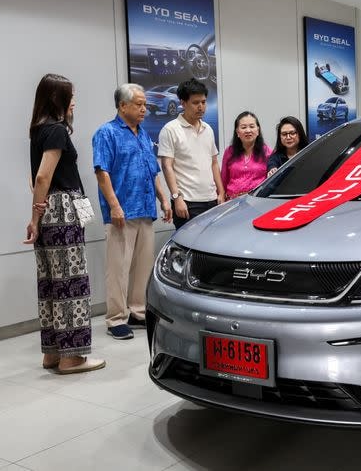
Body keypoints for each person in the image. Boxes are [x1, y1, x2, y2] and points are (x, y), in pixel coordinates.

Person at [24, 73, 105, 374]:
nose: (75, 101)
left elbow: (34, 180)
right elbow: (44, 177)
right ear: (57, 98)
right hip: (62, 210)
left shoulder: (38, 130)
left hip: (47, 211)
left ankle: (53, 353)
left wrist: (35, 217)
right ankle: (73, 358)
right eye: (70, 96)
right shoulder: (57, 131)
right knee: (72, 283)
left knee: (50, 283)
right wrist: (37, 214)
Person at [92, 83, 172, 340]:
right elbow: (101, 172)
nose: (144, 109)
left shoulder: (144, 135)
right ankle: (116, 318)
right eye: (139, 104)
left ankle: (137, 311)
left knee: (142, 266)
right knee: (118, 267)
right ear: (122, 105)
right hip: (121, 213)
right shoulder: (107, 133)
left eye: (145, 104)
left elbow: (153, 171)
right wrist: (115, 205)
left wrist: (164, 199)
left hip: (145, 209)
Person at [157, 78, 224, 230]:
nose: (201, 107)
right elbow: (167, 166)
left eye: (204, 102)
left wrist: (221, 192)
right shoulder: (170, 130)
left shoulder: (208, 129)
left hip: (212, 200)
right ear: (183, 103)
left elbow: (214, 163)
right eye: (195, 103)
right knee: (189, 250)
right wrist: (176, 197)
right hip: (187, 202)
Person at [221, 111, 272, 199]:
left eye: (252, 126)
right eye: (243, 127)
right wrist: (221, 195)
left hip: (257, 201)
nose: (248, 130)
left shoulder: (267, 152)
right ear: (237, 131)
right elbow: (223, 179)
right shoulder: (229, 151)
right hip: (232, 202)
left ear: (258, 130)